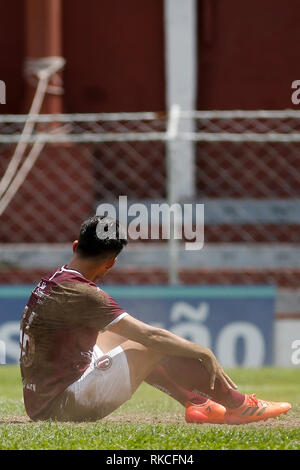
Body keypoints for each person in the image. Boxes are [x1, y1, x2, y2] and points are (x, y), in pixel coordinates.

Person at [20, 215, 291, 424]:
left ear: (76, 246)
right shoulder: (86, 294)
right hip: (63, 406)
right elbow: (151, 337)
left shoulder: (57, 278)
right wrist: (204, 352)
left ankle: (197, 403)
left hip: (40, 401)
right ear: (112, 262)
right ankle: (238, 405)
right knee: (150, 344)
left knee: (126, 335)